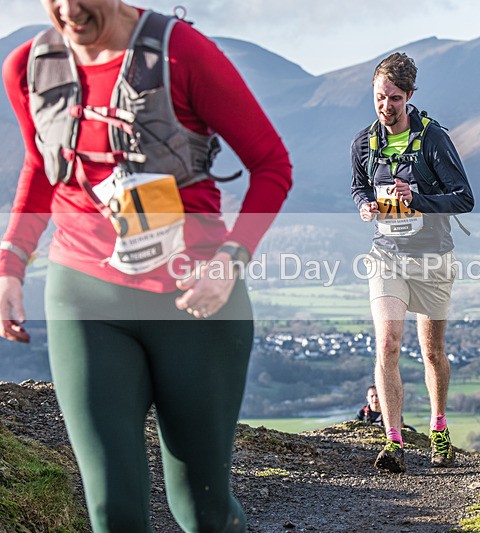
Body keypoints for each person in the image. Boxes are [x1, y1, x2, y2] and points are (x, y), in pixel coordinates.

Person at [0, 2, 291, 532]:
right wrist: (11, 262)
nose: (68, 8)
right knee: (114, 510)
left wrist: (230, 261)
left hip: (195, 301)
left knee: (201, 510)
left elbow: (271, 164)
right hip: (83, 296)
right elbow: (40, 167)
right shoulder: (28, 66)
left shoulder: (183, 53)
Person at [350, 52, 474, 473]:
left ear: (410, 96)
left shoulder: (434, 139)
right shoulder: (364, 143)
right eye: (380, 97)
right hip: (387, 256)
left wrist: (417, 200)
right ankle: (394, 440)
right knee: (387, 344)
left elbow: (464, 198)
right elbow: (358, 186)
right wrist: (366, 204)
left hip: (433, 258)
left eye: (395, 99)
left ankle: (439, 430)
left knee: (432, 351)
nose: (386, 106)